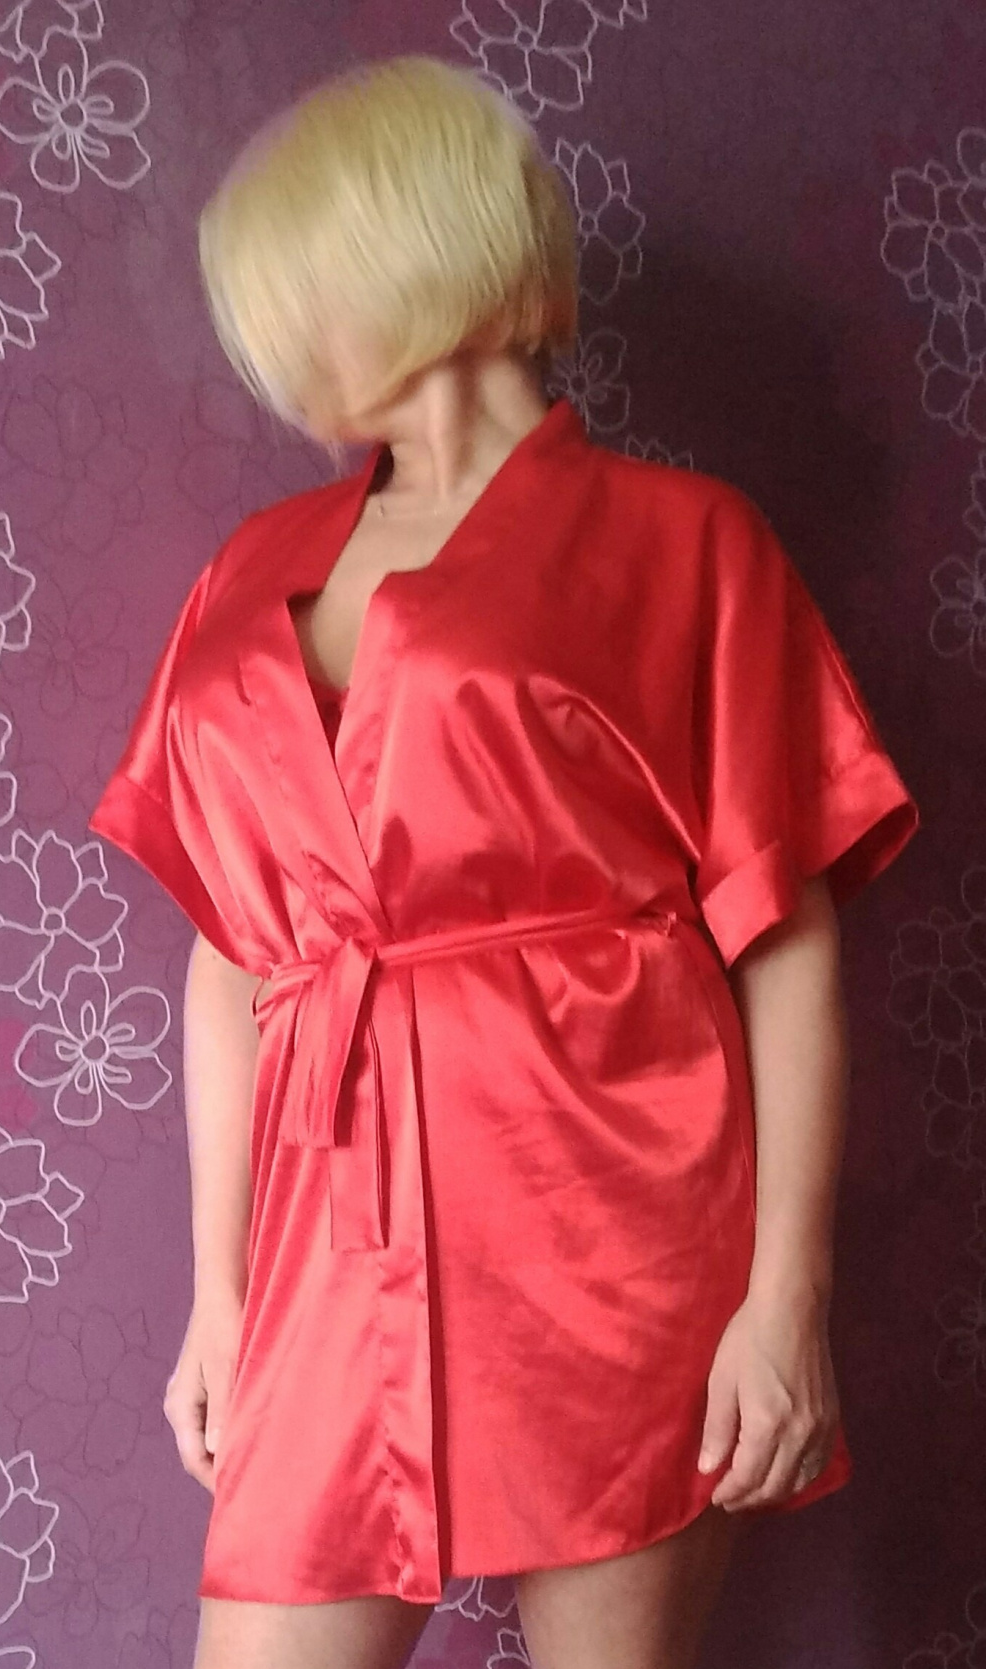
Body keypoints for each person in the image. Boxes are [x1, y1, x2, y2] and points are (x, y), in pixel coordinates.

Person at [88, 53, 919, 1669]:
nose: (270, 346)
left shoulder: (683, 542)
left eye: (291, 285)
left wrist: (784, 1299)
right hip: (333, 1248)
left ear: (398, 254)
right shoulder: (248, 574)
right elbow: (239, 954)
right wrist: (221, 1294)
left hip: (615, 1223)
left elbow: (785, 932)